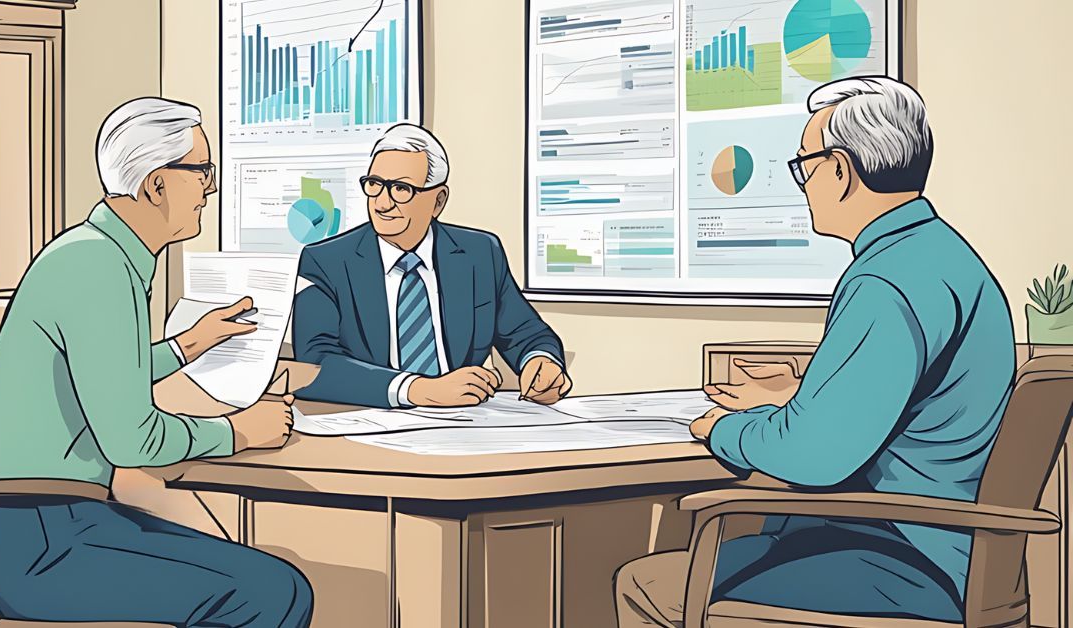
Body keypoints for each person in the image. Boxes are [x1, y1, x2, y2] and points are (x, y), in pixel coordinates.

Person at [615, 76, 1015, 625]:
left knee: (649, 583)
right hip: (949, 549)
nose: (802, 182)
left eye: (804, 165)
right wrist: (798, 394)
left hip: (899, 559)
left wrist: (720, 428)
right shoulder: (941, 255)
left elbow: (814, 456)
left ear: (842, 170)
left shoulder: (885, 281)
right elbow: (912, 402)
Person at [0, 97, 312, 627]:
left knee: (272, 582)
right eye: (201, 171)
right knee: (272, 591)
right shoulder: (97, 267)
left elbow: (99, 372)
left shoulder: (97, 253)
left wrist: (187, 345)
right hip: (46, 547)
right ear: (156, 184)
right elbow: (132, 440)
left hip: (68, 520)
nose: (210, 188)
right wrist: (238, 431)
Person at [293, 123, 571, 408]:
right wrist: (416, 390)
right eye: (374, 184)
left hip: (465, 423)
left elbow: (525, 331)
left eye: (401, 189)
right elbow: (314, 363)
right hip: (370, 419)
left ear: (438, 201)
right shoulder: (325, 262)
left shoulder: (479, 253)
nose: (382, 203)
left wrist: (541, 360)